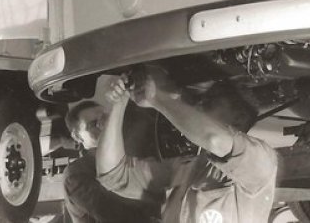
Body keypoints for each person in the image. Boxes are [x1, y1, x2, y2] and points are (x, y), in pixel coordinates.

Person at [96, 65, 278, 223]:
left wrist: (157, 98)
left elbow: (214, 139)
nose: (198, 108)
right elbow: (113, 175)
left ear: (238, 119)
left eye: (209, 102)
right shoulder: (187, 168)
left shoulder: (261, 162)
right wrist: (118, 104)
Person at [62, 100, 161, 223]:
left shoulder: (128, 151)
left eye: (107, 118)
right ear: (77, 136)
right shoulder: (76, 174)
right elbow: (121, 216)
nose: (105, 126)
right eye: (94, 124)